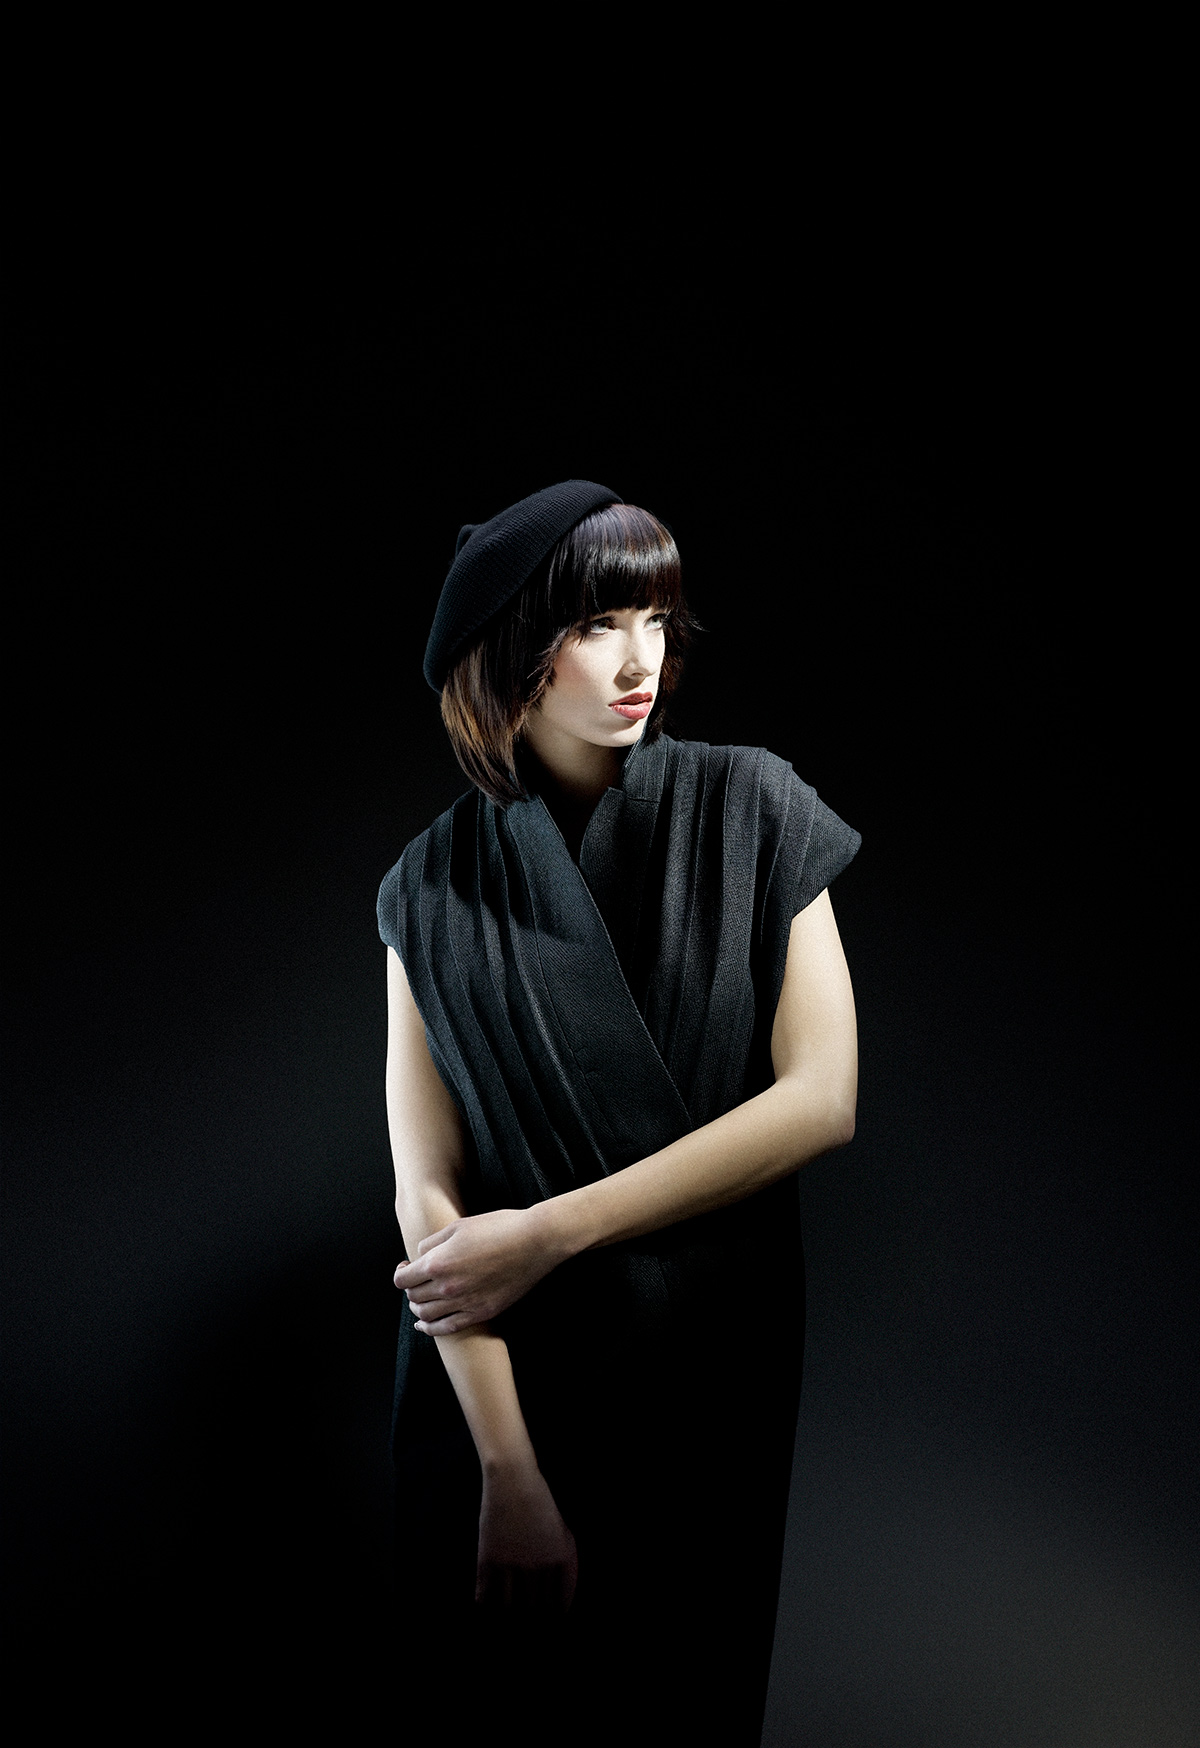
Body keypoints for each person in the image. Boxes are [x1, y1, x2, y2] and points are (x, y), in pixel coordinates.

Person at [378, 481, 859, 1746]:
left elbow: (822, 1098)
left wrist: (545, 1231)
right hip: (494, 1392)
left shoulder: (755, 807)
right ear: (509, 651)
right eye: (597, 623)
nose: (641, 658)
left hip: (703, 1367)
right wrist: (506, 1469)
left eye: (655, 616)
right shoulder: (424, 888)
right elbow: (427, 1198)